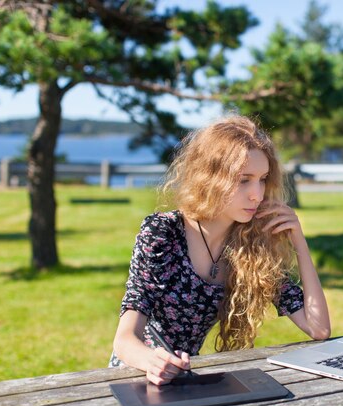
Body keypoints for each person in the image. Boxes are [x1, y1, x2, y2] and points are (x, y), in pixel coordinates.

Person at [110, 115, 331, 385]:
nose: (257, 195)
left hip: (186, 379)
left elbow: (318, 328)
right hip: (135, 373)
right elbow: (124, 340)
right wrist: (152, 361)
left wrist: (299, 243)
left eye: (262, 180)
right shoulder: (162, 233)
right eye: (243, 180)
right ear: (211, 178)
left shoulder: (251, 243)